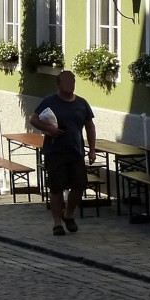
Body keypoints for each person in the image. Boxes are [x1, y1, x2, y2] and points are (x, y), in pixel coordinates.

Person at [30, 69, 97, 237]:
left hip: (76, 151)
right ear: (59, 84)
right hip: (55, 151)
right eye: (67, 82)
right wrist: (49, 129)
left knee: (79, 186)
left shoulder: (82, 103)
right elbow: (34, 119)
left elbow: (90, 126)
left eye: (73, 82)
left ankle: (68, 214)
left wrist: (92, 150)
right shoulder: (50, 101)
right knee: (56, 188)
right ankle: (57, 223)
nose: (70, 85)